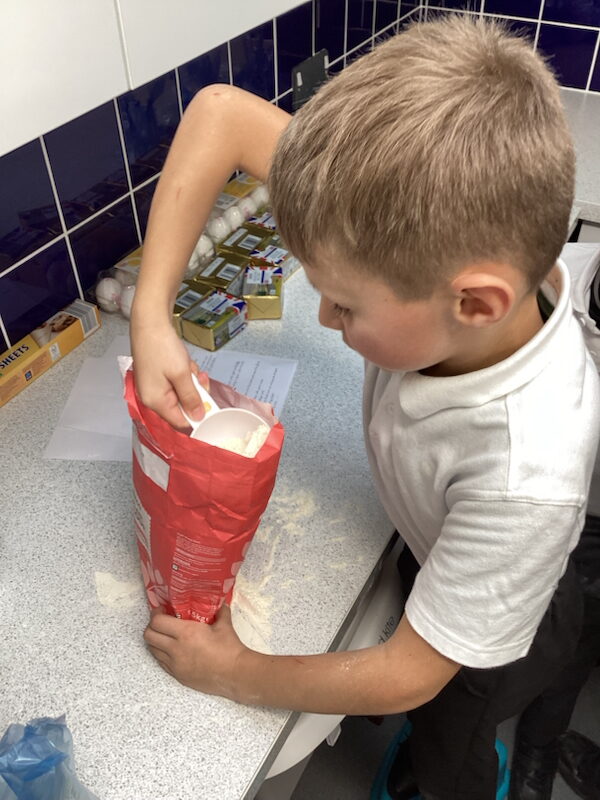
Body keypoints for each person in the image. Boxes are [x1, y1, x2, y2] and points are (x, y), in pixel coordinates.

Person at [132, 16, 600, 800]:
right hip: (443, 546)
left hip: (500, 641)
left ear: (475, 304)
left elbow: (408, 674)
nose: (323, 319)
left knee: (451, 738)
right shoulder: (426, 227)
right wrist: (151, 316)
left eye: (345, 305)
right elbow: (221, 113)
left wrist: (235, 670)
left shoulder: (524, 474)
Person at [509, 246, 600, 800]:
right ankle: (455, 740)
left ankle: (542, 744)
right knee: (556, 629)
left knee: (580, 639)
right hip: (542, 500)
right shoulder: (547, 278)